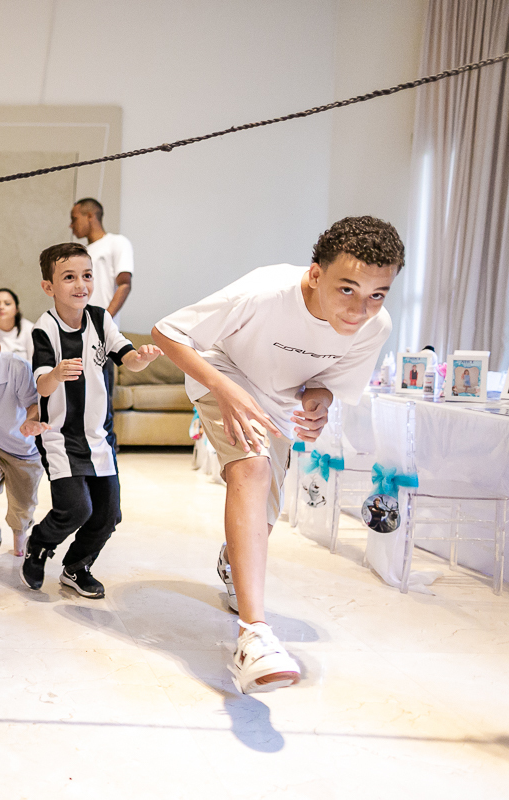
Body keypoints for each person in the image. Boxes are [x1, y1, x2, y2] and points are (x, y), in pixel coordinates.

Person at [151, 215, 404, 694]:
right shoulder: (265, 291)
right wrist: (224, 390)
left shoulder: (375, 326)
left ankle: (233, 562)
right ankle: (254, 637)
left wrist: (320, 400)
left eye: (377, 294)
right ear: (315, 274)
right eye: (347, 289)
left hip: (279, 398)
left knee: (264, 509)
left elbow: (329, 384)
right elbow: (167, 333)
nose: (359, 309)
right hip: (223, 374)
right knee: (251, 469)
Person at [22, 243, 161, 598]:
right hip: (60, 438)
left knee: (108, 514)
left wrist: (141, 359)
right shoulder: (44, 330)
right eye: (69, 277)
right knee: (76, 508)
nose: (80, 284)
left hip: (99, 437)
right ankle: (39, 544)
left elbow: (126, 357)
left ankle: (76, 567)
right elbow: (41, 384)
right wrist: (56, 373)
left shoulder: (101, 319)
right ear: (49, 287)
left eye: (86, 276)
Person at [0, 314, 47, 576]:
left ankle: (20, 531)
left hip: (22, 446)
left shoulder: (17, 367)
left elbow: (33, 404)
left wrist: (31, 422)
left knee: (23, 502)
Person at [69, 198, 133, 318]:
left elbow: (124, 284)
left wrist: (105, 320)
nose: (71, 225)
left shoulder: (117, 242)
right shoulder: (81, 252)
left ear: (89, 216)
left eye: (74, 219)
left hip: (102, 330)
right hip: (78, 326)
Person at [0, 287, 34, 361]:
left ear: (16, 309)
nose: (1, 307)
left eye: (7, 304)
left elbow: (35, 365)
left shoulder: (30, 330)